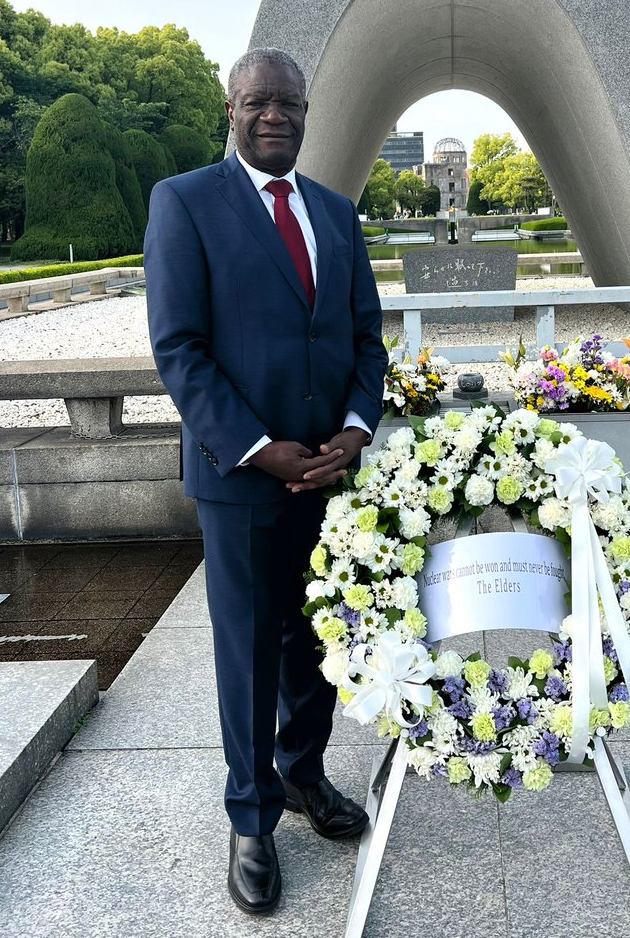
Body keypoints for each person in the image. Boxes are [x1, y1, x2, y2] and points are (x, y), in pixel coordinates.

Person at [144, 47, 387, 915]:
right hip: (241, 479)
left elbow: (366, 340)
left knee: (318, 643)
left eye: (288, 101)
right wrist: (258, 447)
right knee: (247, 649)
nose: (273, 114)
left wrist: (355, 432)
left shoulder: (336, 212)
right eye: (258, 102)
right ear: (232, 108)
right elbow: (179, 347)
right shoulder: (185, 203)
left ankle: (303, 772)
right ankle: (251, 819)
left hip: (329, 476)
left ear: (306, 109)